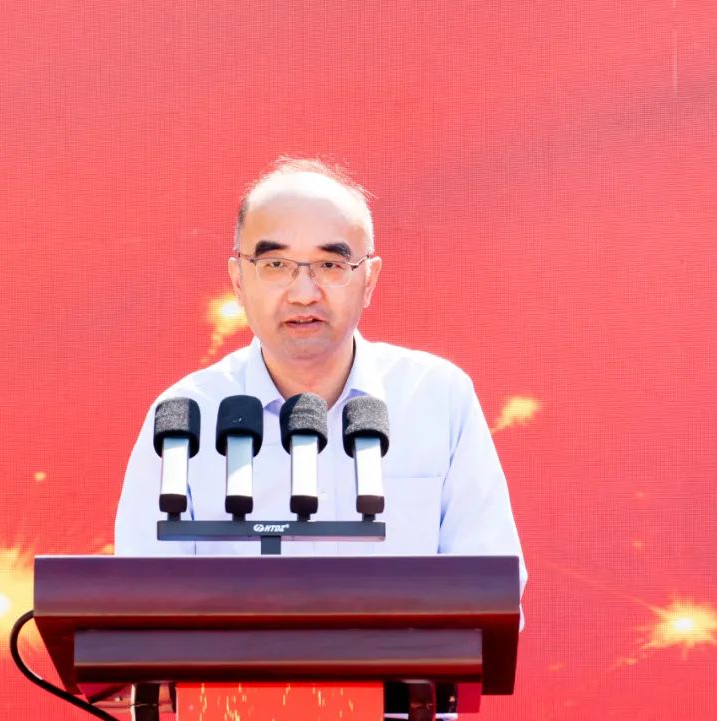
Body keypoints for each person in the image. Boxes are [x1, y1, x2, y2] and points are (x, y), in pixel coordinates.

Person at [113, 157, 526, 718]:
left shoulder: (435, 397)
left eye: (331, 265)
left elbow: (493, 590)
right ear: (238, 279)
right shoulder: (187, 416)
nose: (304, 293)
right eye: (276, 264)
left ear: (369, 279)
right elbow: (139, 612)